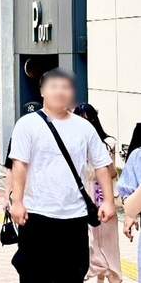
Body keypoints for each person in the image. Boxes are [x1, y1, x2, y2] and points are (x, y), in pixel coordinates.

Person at [9, 68, 115, 283]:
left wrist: (109, 201)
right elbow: (19, 164)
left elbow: (102, 165)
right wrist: (17, 201)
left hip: (74, 216)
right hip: (36, 213)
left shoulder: (84, 127)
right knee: (33, 274)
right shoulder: (27, 124)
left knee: (72, 274)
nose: (60, 91)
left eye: (65, 87)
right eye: (54, 86)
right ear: (42, 91)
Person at [72, 103, 121, 283]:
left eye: (87, 119)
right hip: (83, 194)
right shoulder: (72, 142)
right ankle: (91, 269)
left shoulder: (108, 142)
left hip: (102, 192)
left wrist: (104, 159)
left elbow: (113, 173)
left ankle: (110, 274)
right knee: (88, 237)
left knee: (107, 238)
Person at [3, 102, 42, 211]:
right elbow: (10, 168)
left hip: (47, 198)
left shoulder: (50, 138)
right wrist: (6, 196)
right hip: (25, 198)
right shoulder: (16, 138)